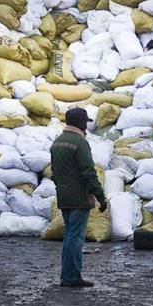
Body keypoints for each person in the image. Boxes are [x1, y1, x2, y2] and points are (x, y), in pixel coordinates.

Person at [50, 108, 107, 288]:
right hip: (79, 198)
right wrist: (101, 197)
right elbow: (89, 173)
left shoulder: (57, 142)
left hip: (64, 197)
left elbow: (55, 174)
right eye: (85, 123)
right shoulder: (80, 143)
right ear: (81, 123)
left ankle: (67, 275)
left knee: (70, 236)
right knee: (76, 238)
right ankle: (72, 277)